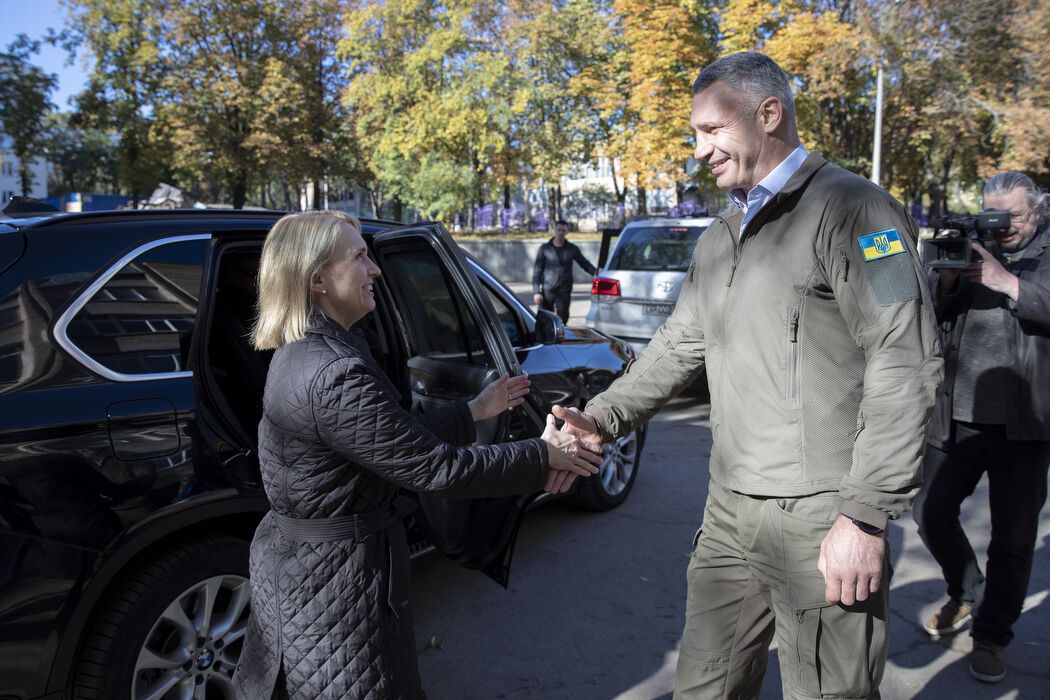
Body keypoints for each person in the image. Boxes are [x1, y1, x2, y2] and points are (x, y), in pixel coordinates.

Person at [550, 52, 943, 699]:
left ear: (769, 114)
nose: (699, 149)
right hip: (729, 511)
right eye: (695, 132)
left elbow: (906, 358)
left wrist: (865, 516)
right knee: (706, 686)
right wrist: (601, 418)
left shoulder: (859, 211)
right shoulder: (721, 235)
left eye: (712, 129)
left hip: (821, 513)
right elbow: (678, 345)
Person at [232, 211, 602, 699]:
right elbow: (439, 469)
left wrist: (473, 411)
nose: (375, 269)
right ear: (317, 279)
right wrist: (543, 454)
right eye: (359, 257)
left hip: (307, 570)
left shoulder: (307, 350)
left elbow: (390, 440)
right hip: (336, 584)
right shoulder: (336, 373)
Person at [913, 171, 1050, 683]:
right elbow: (929, 312)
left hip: (1027, 424)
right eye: (994, 216)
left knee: (1012, 541)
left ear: (1038, 209)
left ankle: (991, 637)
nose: (1002, 227)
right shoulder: (972, 246)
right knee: (930, 513)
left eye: (1013, 216)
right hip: (957, 416)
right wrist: (946, 280)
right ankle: (968, 592)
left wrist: (1006, 281)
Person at [532, 219, 596, 323]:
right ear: (554, 231)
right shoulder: (544, 249)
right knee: (544, 319)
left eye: (563, 230)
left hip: (564, 290)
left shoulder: (572, 249)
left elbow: (585, 264)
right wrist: (536, 292)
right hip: (548, 290)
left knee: (563, 319)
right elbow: (537, 271)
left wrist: (597, 274)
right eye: (559, 230)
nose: (561, 233)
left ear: (567, 232)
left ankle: (561, 333)